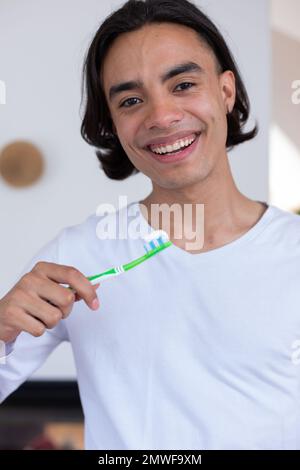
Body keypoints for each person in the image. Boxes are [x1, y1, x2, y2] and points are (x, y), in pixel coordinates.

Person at [1, 0, 300, 450]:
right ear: (113, 122)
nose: (161, 117)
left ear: (225, 92)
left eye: (182, 84)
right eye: (131, 100)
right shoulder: (76, 258)